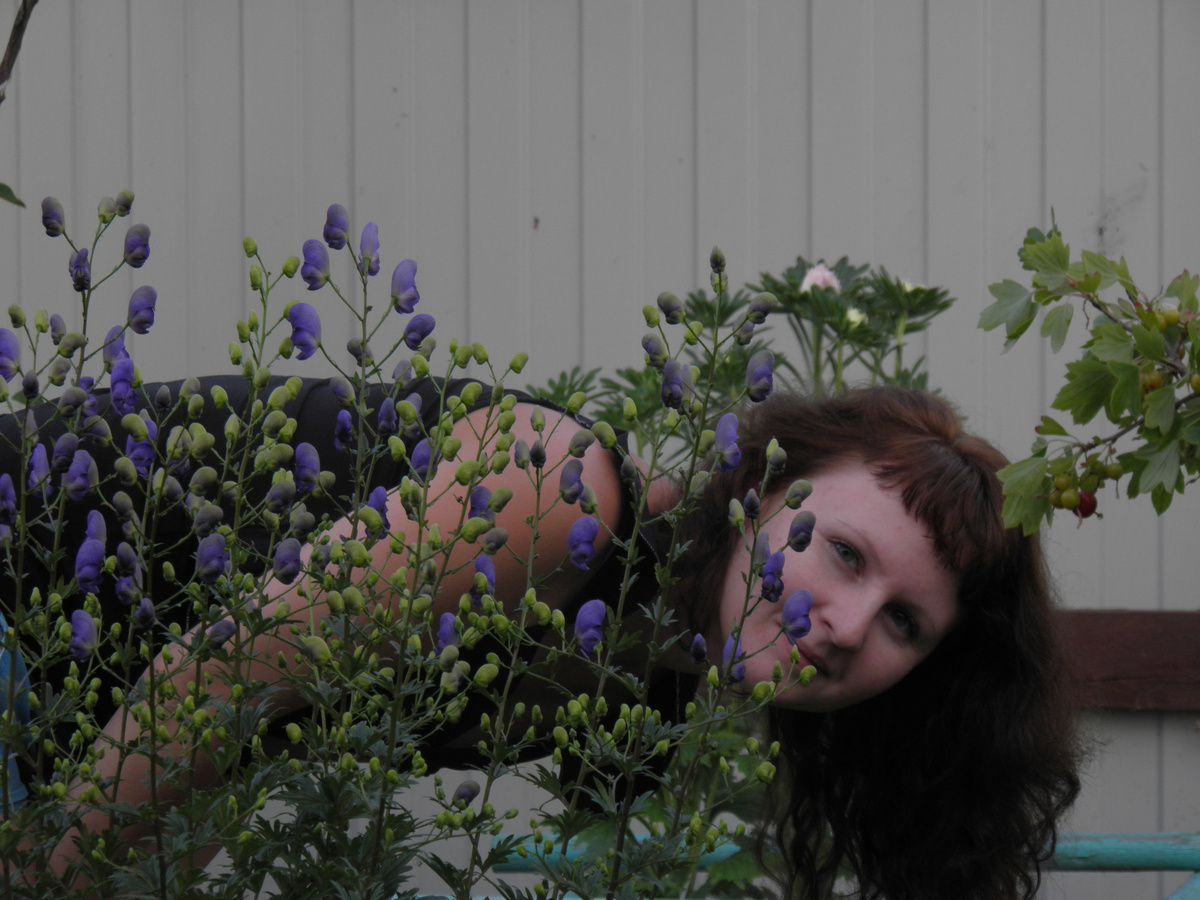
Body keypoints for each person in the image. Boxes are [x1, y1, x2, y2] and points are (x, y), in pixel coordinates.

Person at [15, 376, 1079, 899]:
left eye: (905, 622)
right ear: (760, 488)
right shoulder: (562, 492)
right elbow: (224, 672)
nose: (847, 626)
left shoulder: (653, 698)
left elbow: (231, 748)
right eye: (842, 553)